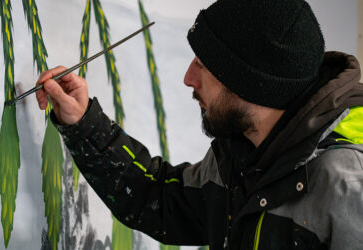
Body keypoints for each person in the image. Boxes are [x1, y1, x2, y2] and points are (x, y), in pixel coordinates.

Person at [36, 0, 363, 249]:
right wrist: (82, 122)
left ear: (248, 81)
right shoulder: (243, 154)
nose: (188, 79)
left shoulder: (347, 185)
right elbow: (160, 199)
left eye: (203, 65)